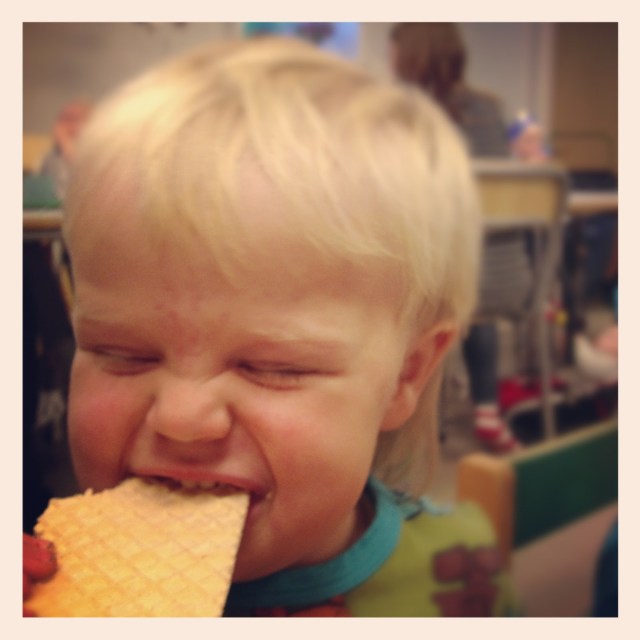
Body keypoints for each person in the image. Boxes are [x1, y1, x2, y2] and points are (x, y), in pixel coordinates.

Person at [23, 37, 520, 616]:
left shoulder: (460, 581)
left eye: (273, 368)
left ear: (405, 374)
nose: (182, 418)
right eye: (121, 353)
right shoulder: (39, 593)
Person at [391, 23, 537, 452]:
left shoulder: (412, 114)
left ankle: (421, 418)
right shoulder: (491, 109)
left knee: (409, 281)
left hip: (452, 282)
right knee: (472, 297)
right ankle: (487, 411)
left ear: (409, 57)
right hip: (510, 280)